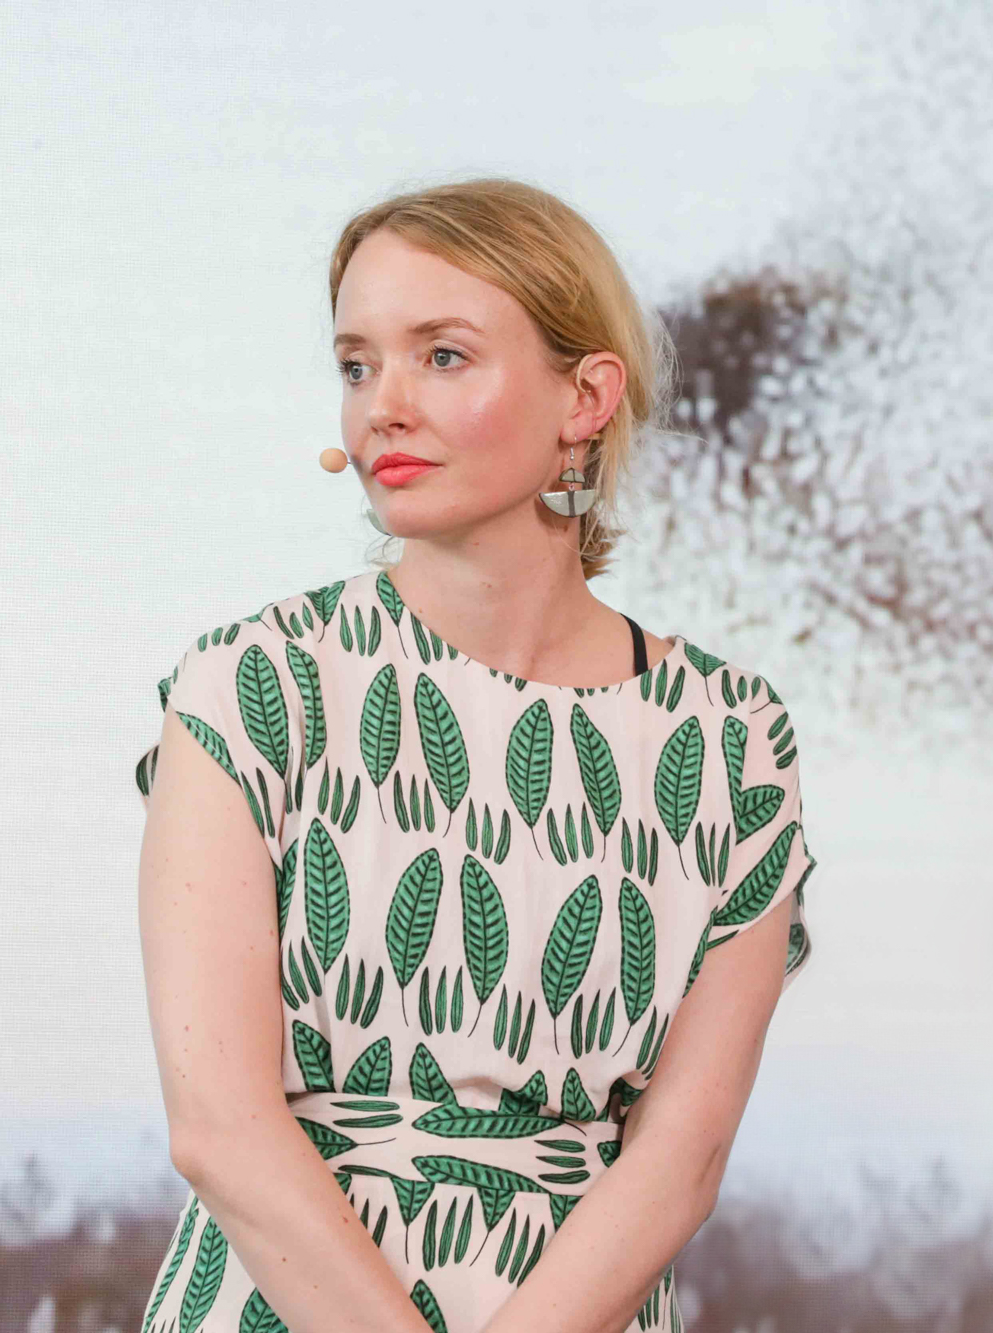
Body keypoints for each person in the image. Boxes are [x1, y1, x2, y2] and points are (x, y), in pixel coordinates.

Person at [131, 177, 816, 1333]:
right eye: (357, 364)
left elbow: (681, 1158)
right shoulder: (257, 685)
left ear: (585, 396)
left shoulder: (730, 741)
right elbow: (220, 1129)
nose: (382, 406)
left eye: (440, 356)